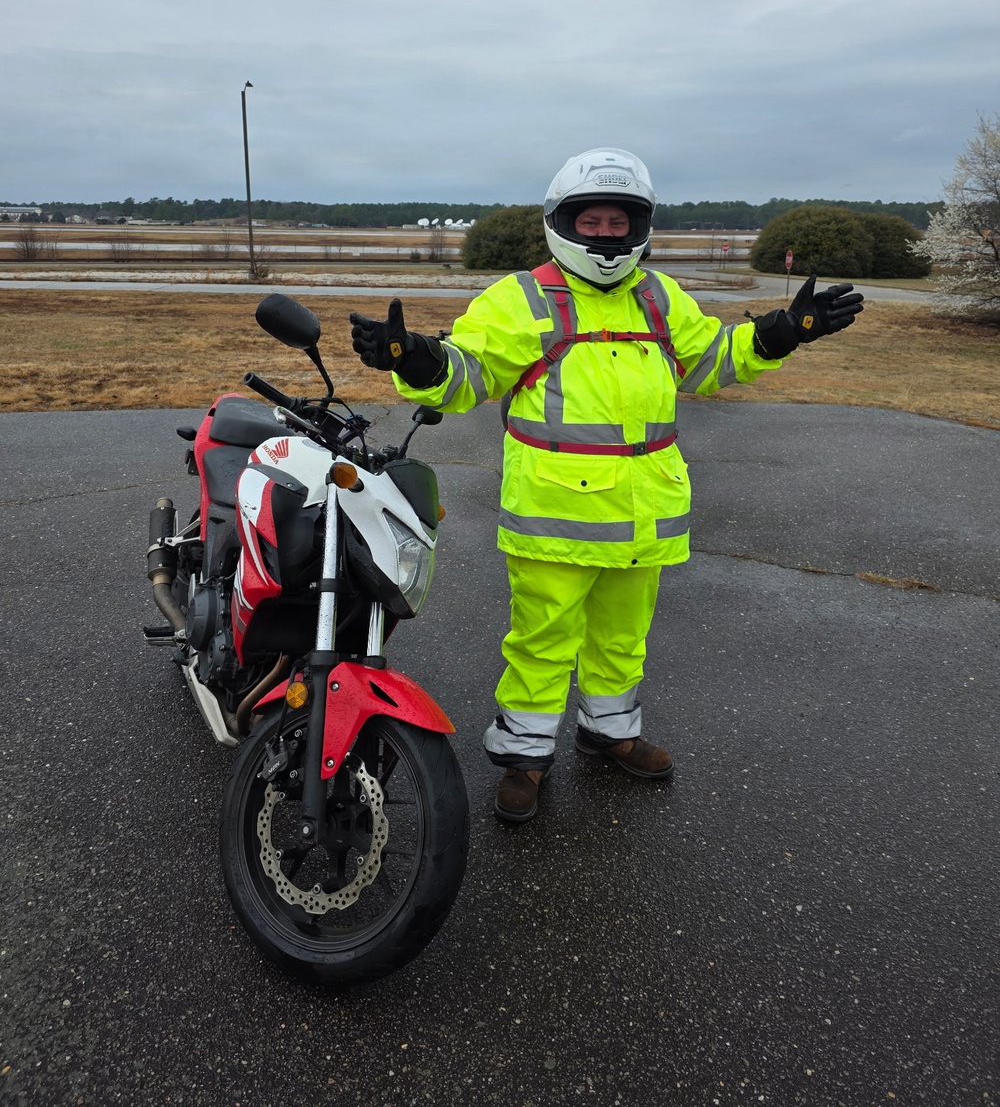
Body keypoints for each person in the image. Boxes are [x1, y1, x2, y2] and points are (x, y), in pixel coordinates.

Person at [349, 149, 863, 822]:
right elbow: (468, 374)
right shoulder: (522, 298)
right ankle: (525, 757)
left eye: (619, 222)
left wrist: (780, 332)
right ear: (562, 223)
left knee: (623, 636)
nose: (606, 234)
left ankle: (609, 731)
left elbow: (709, 360)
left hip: (644, 514)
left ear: (639, 226)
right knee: (542, 641)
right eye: (590, 221)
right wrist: (416, 359)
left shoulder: (657, 296)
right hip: (554, 516)